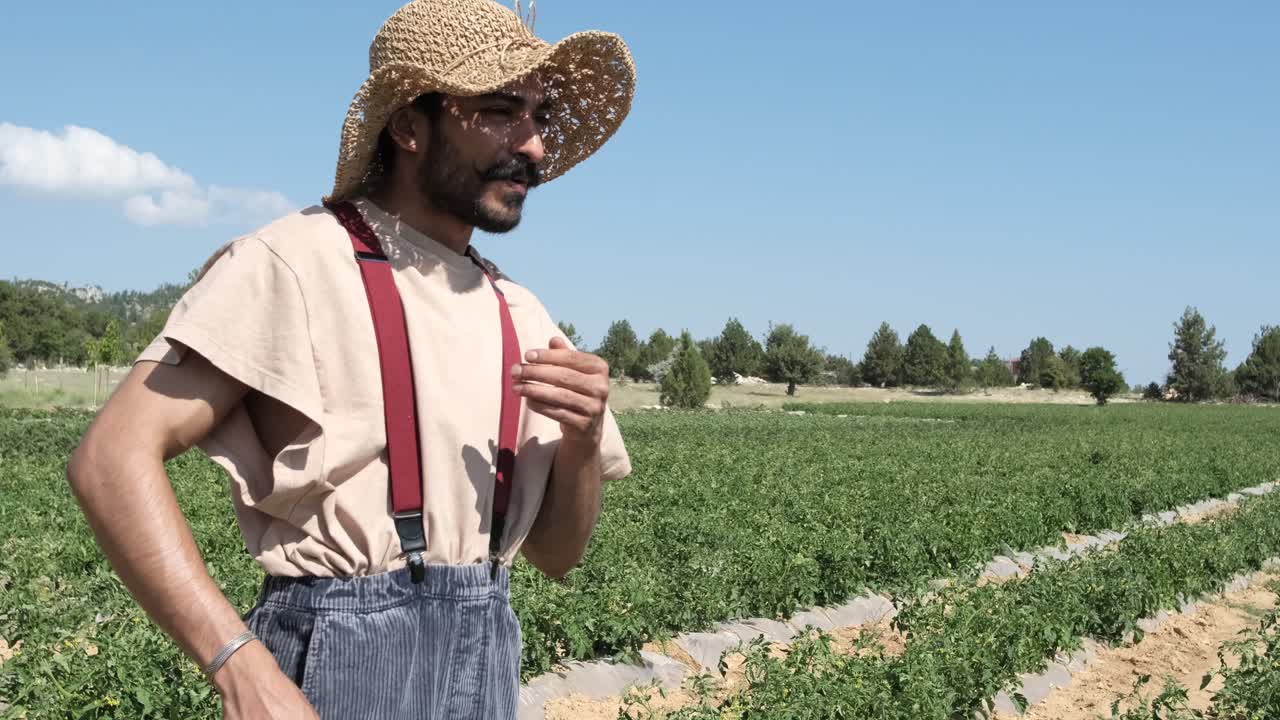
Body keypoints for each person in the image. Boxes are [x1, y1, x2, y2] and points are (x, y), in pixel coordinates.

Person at [66, 0, 636, 717]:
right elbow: (110, 459)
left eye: (539, 118)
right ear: (406, 125)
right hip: (338, 661)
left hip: (487, 654)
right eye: (499, 111)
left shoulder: (520, 312)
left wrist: (582, 441)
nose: (534, 148)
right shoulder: (296, 263)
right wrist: (239, 666)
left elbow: (557, 557)